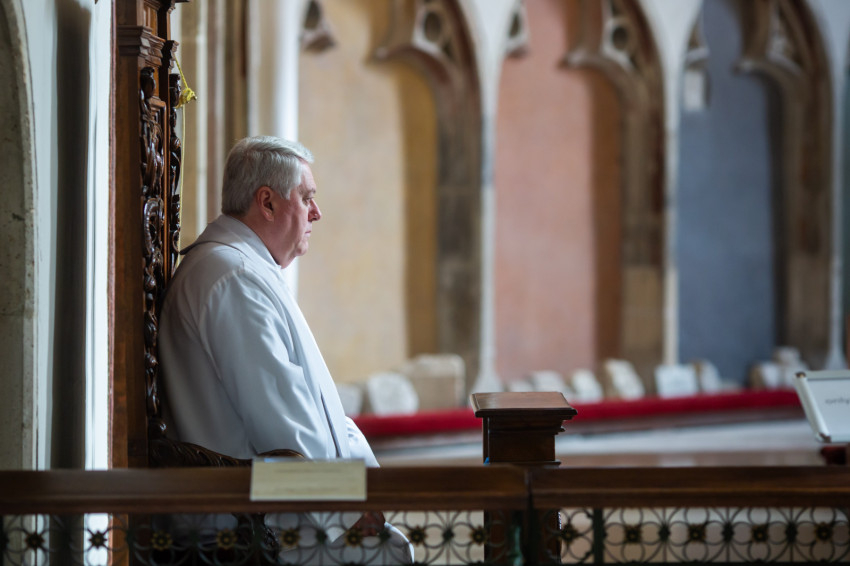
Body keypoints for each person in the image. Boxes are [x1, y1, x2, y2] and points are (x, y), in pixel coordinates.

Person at [159, 136, 412, 564]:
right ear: (268, 203)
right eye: (307, 197)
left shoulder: (245, 267)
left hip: (277, 509)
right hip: (253, 528)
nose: (317, 212)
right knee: (388, 553)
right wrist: (349, 511)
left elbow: (319, 406)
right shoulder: (233, 278)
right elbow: (284, 422)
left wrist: (369, 488)